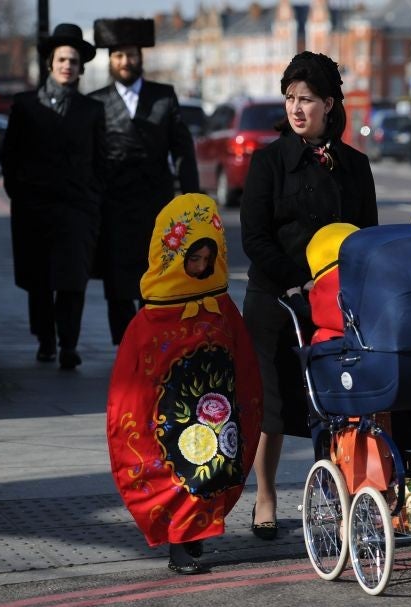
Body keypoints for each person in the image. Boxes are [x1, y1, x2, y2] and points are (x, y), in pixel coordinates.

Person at [240, 51, 378, 539]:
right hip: (275, 301)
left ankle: (336, 493)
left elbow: (367, 235)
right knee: (272, 406)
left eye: (308, 99)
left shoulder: (355, 166)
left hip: (336, 305)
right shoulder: (269, 160)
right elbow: (254, 237)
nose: (297, 108)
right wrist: (296, 279)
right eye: (291, 98)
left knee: (336, 404)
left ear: (330, 104)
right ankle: (266, 495)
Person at [107, 193, 262, 575]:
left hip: (214, 412)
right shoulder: (151, 319)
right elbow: (133, 381)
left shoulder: (221, 306)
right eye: (193, 259)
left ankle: (193, 536)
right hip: (170, 418)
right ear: (173, 257)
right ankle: (180, 540)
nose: (201, 266)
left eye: (208, 260)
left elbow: (241, 360)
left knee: (210, 466)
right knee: (177, 468)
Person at [0, 23, 105, 369]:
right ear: (50, 63)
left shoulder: (91, 110)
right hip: (34, 208)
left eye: (73, 61)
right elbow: (9, 156)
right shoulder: (25, 105)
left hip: (76, 209)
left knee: (72, 280)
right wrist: (21, 194)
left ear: (80, 67)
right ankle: (46, 339)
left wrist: (92, 199)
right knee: (40, 280)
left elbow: (100, 159)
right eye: (62, 59)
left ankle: (69, 344)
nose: (67, 66)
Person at [90, 17, 199, 346]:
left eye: (132, 55)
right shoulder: (95, 102)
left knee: (158, 276)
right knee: (119, 282)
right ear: (110, 60)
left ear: (142, 57)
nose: (126, 62)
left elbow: (183, 151)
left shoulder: (163, 96)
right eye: (119, 55)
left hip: (157, 205)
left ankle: (155, 343)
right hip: (114, 206)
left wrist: (193, 201)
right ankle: (124, 348)